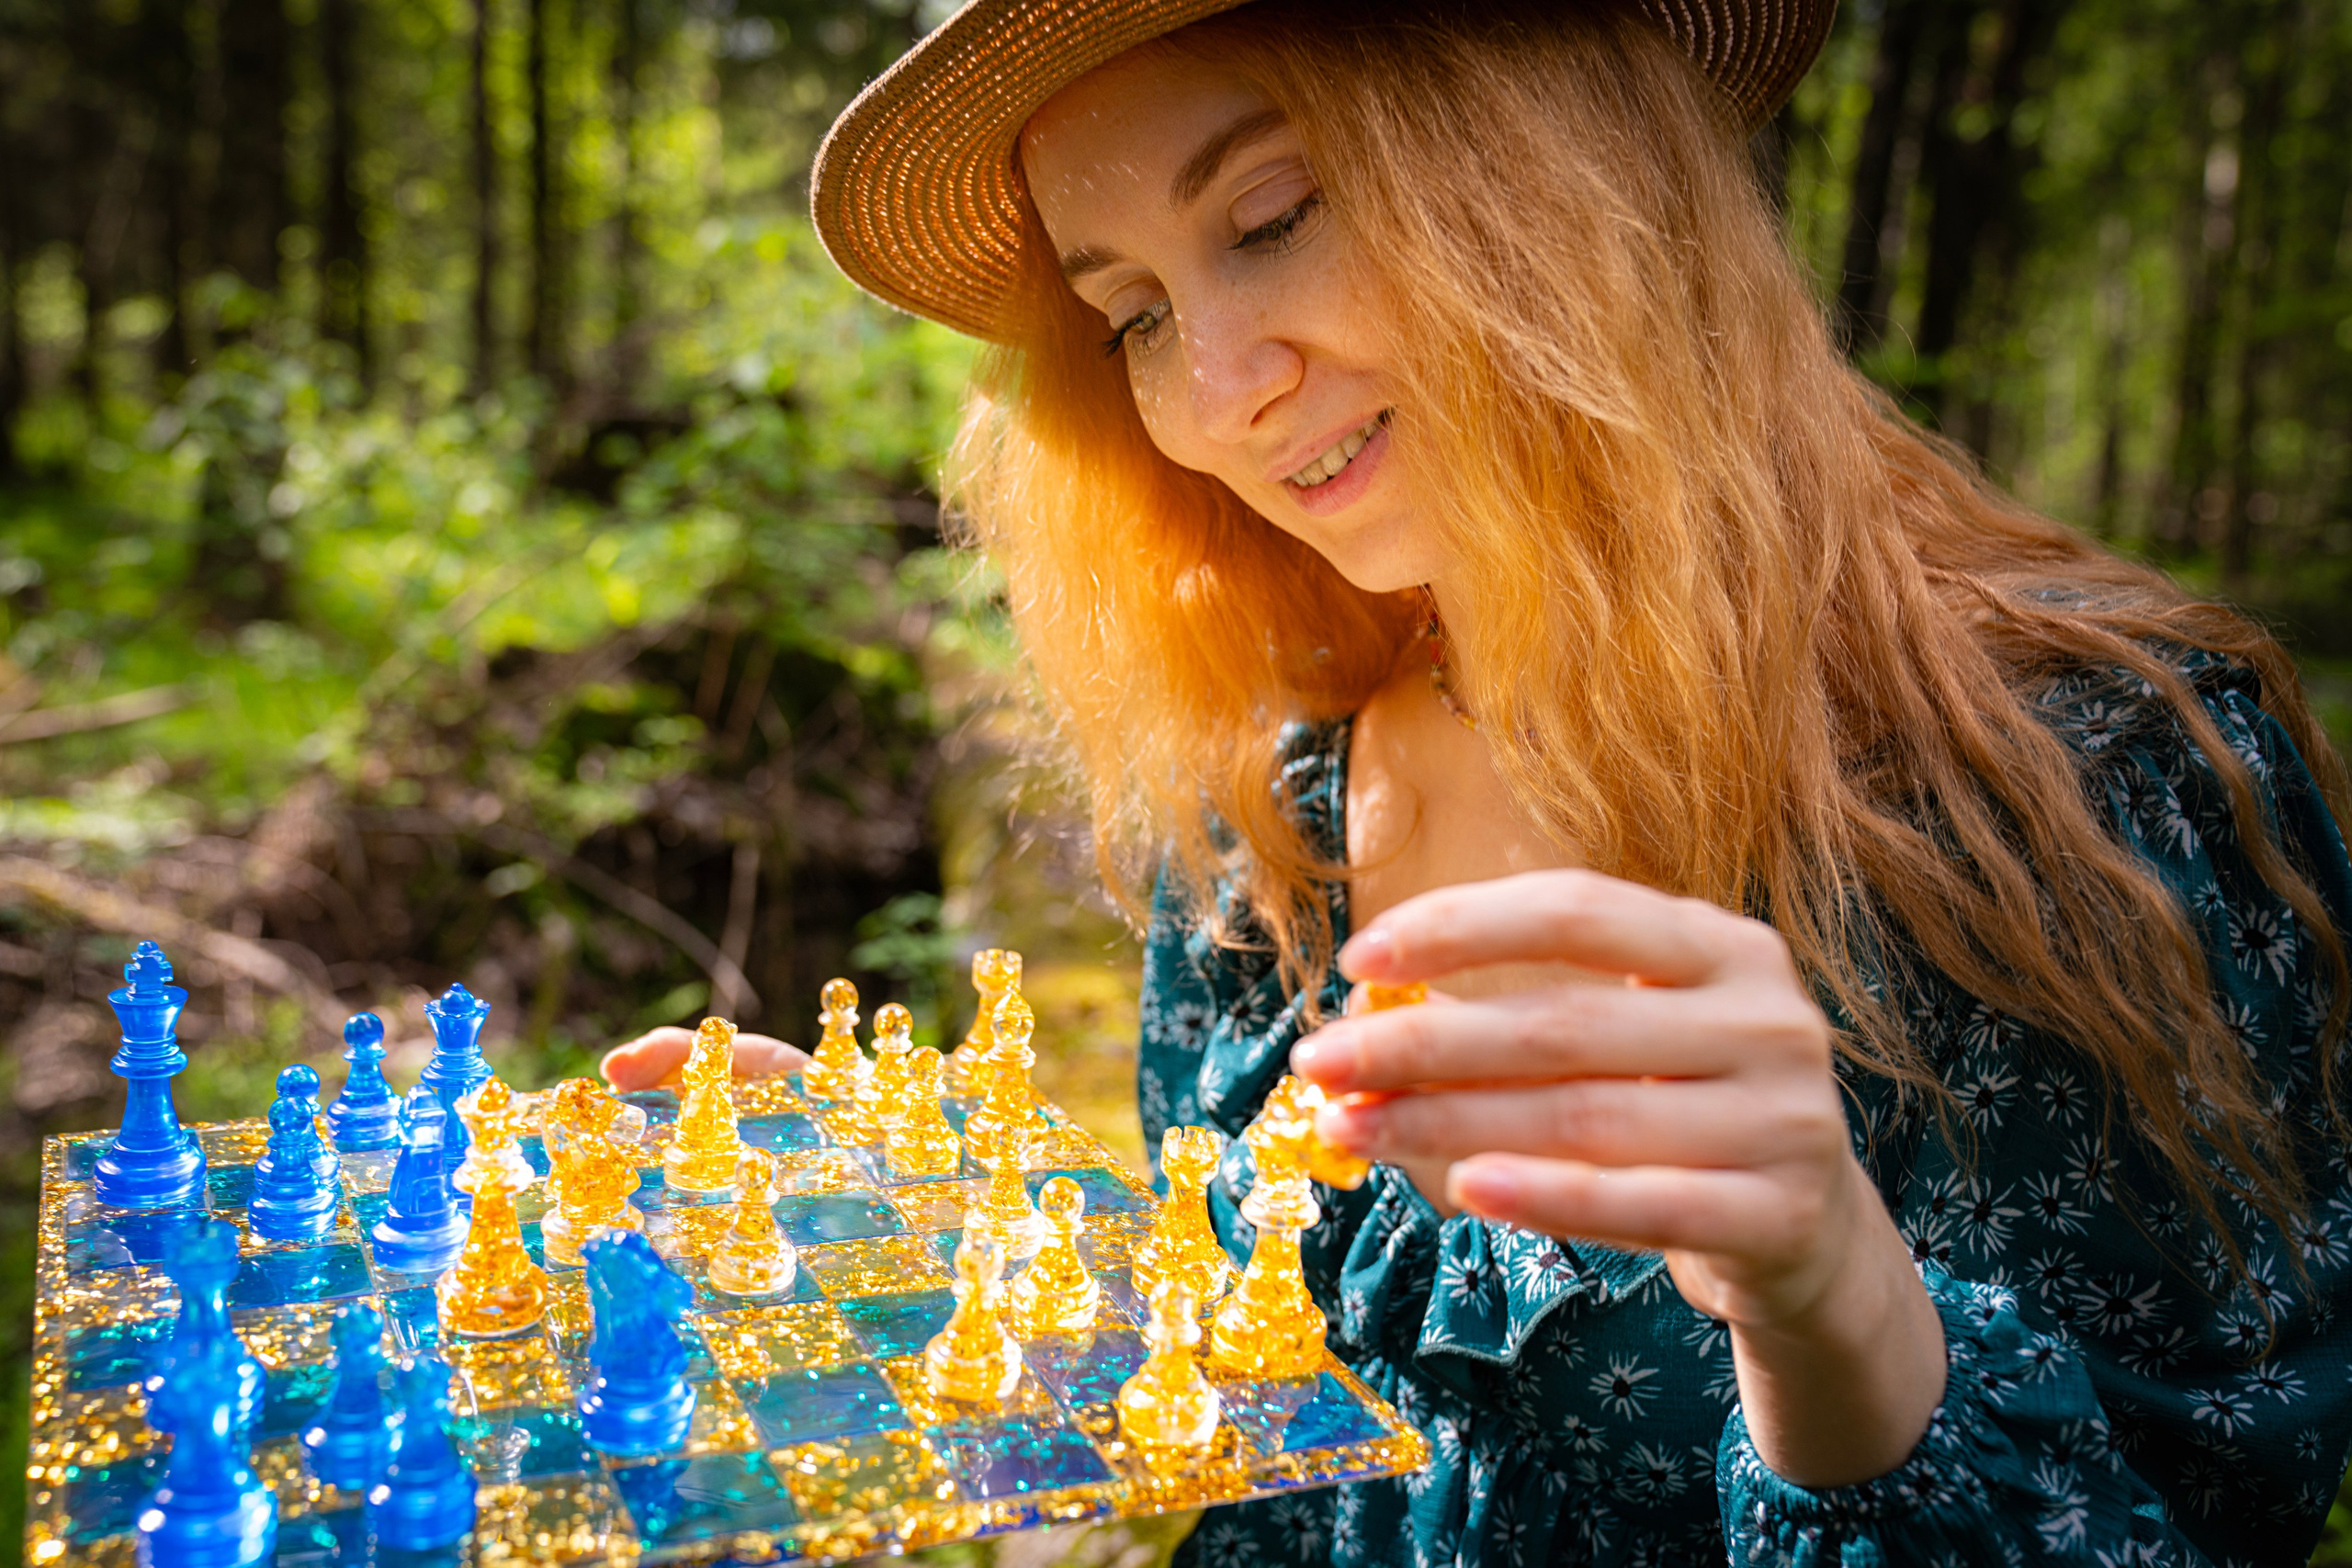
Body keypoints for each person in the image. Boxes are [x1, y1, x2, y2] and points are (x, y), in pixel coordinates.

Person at [605, 0, 2352, 1561]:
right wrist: (977, 1266)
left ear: (1553, 168)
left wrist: (1835, 1317)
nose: (1216, 396)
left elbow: (2208, 1515)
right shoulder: (1264, 817)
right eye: (1130, 313)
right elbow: (1289, 1420)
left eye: (1273, 218)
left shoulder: (2092, 773)